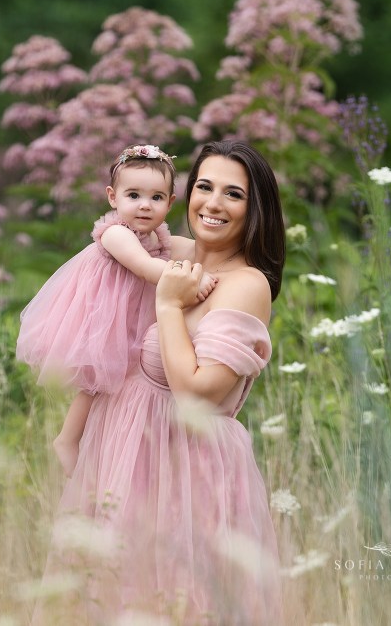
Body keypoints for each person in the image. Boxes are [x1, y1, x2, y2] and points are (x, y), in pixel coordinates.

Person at [39, 140, 286, 624]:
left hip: (186, 468)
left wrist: (169, 305)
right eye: (204, 186)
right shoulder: (173, 252)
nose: (213, 203)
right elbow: (113, 238)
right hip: (128, 454)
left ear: (255, 209)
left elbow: (197, 391)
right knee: (109, 598)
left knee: (179, 602)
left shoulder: (246, 284)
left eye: (233, 194)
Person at [16, 144, 216, 476]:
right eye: (133, 195)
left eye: (155, 198)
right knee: (96, 378)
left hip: (132, 310)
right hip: (104, 312)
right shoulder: (115, 234)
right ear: (113, 197)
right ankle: (67, 439)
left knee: (128, 377)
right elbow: (146, 268)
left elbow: (190, 252)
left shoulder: (160, 238)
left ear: (170, 203)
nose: (144, 205)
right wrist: (194, 282)